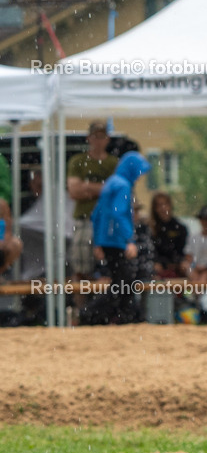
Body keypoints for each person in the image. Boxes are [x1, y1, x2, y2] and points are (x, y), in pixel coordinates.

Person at [88, 152, 150, 324]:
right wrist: (129, 240)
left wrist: (98, 241)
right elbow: (118, 213)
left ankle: (126, 316)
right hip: (115, 240)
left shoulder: (111, 182)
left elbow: (96, 215)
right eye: (138, 173)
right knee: (123, 281)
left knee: (122, 280)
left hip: (106, 239)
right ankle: (92, 313)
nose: (139, 178)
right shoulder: (122, 185)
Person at [67, 121, 119, 310]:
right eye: (96, 136)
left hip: (109, 222)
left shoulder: (114, 163)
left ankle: (105, 311)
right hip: (85, 220)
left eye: (102, 136)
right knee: (81, 270)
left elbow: (119, 192)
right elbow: (74, 191)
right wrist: (104, 189)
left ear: (107, 139)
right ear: (89, 138)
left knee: (109, 269)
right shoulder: (78, 161)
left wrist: (88, 186)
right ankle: (83, 311)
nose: (99, 140)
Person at [150, 192, 189, 277]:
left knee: (186, 268)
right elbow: (152, 251)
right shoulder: (151, 229)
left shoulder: (180, 228)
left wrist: (179, 263)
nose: (163, 208)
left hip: (176, 265)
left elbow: (183, 251)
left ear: (170, 206)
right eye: (159, 205)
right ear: (155, 209)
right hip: (158, 266)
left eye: (165, 204)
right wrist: (158, 262)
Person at [185, 205, 207, 283]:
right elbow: (188, 255)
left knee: (204, 278)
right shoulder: (193, 237)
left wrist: (205, 267)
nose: (206, 222)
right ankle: (189, 294)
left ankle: (195, 293)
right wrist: (195, 266)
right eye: (204, 219)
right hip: (195, 266)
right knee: (191, 273)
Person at [0, 197, 23, 278]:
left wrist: (3, 243)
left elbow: (8, 232)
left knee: (16, 244)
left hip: (2, 246)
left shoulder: (2, 205)